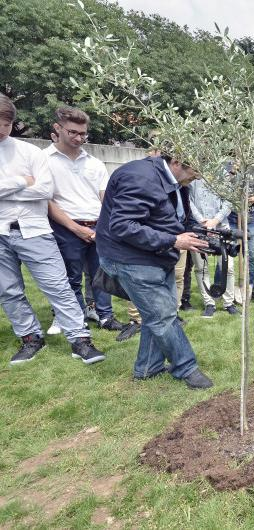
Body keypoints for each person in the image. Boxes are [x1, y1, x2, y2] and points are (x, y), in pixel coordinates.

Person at [0, 94, 105, 365]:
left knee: (58, 285)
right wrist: (22, 182)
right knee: (9, 290)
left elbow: (45, 190)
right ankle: (30, 338)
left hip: (33, 230)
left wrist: (10, 189)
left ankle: (80, 339)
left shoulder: (29, 152)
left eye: (6, 125)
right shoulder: (38, 157)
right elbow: (34, 188)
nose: (2, 130)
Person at [95, 153, 214, 388]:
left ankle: (148, 367)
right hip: (132, 259)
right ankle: (186, 367)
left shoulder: (176, 183)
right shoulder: (140, 177)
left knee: (157, 313)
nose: (197, 177)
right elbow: (122, 226)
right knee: (163, 317)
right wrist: (173, 240)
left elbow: (173, 220)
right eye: (195, 171)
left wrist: (198, 232)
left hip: (156, 256)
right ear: (178, 161)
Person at [46, 106, 124, 332]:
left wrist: (104, 228)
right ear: (57, 128)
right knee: (70, 277)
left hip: (98, 226)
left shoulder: (95, 163)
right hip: (65, 227)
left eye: (83, 133)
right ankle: (75, 318)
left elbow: (106, 199)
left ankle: (106, 317)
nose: (79, 138)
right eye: (73, 132)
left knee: (102, 274)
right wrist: (75, 228)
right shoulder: (43, 160)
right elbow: (48, 201)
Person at [189, 177, 238, 318]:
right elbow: (189, 201)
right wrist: (202, 221)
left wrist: (215, 221)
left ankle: (229, 303)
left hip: (221, 226)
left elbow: (229, 201)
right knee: (201, 268)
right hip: (199, 226)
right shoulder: (191, 177)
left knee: (227, 267)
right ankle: (209, 303)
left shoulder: (222, 175)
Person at [227, 178, 254, 301]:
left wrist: (249, 199)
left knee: (250, 257)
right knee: (227, 255)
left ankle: (249, 289)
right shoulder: (227, 169)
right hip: (231, 220)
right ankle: (223, 289)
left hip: (250, 221)